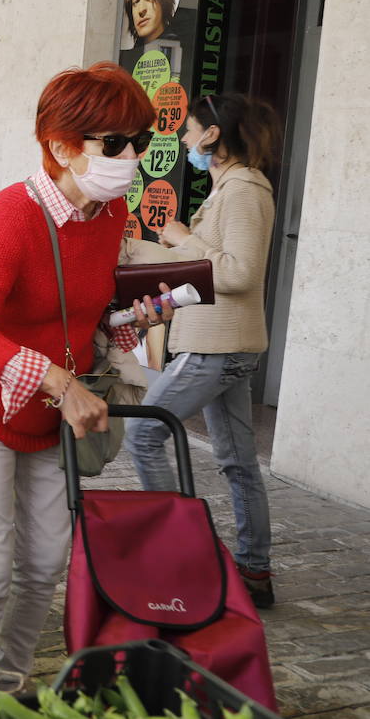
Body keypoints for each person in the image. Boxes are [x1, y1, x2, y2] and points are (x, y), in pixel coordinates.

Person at [0, 62, 172, 687]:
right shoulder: (11, 215)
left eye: (140, 142)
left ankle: (11, 684)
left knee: (44, 564)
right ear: (62, 146)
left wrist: (135, 318)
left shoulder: (112, 214)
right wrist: (59, 383)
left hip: (53, 420)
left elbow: (89, 315)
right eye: (116, 143)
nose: (131, 157)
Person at [124, 93, 282, 609]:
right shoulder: (229, 188)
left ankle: (183, 554)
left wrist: (185, 238)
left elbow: (238, 272)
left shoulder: (243, 190)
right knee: (239, 461)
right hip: (223, 344)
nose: (186, 141)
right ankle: (253, 571)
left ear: (213, 135)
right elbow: (206, 268)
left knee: (144, 431)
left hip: (217, 347)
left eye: (191, 132)